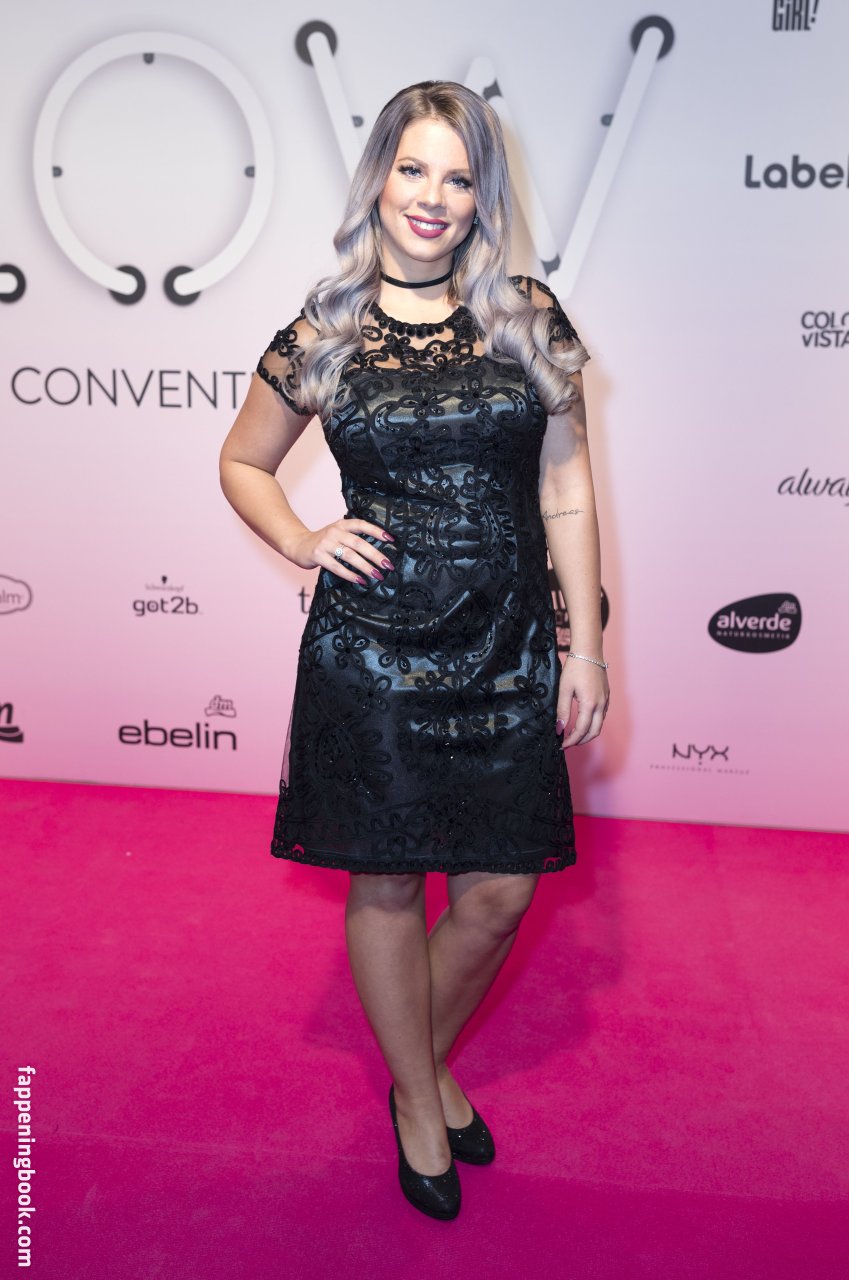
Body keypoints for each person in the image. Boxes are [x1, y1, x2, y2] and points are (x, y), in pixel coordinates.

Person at [219, 80, 609, 1221]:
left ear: (483, 196)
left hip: (510, 643)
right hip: (375, 656)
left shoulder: (526, 317)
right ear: (379, 179)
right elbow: (242, 461)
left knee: (501, 891)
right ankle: (421, 1096)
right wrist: (303, 537)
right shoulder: (324, 331)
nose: (433, 197)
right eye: (413, 169)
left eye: (459, 175)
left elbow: (567, 486)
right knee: (387, 880)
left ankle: (413, 1069)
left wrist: (586, 646)